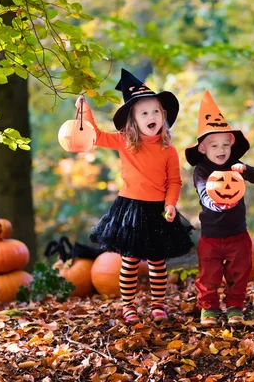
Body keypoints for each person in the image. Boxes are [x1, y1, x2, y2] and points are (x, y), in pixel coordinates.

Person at [80, 68, 194, 324]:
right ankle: (128, 306)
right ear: (133, 120)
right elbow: (95, 136)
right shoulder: (124, 141)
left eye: (156, 111)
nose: (151, 116)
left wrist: (171, 204)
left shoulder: (168, 149)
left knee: (157, 261)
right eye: (144, 113)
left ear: (163, 116)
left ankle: (158, 304)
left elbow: (174, 181)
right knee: (130, 261)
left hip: (158, 210)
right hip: (130, 208)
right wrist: (84, 108)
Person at [185, 90, 254, 326]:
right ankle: (208, 307)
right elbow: (203, 192)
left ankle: (235, 306)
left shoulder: (235, 165)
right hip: (211, 236)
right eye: (214, 145)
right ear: (202, 149)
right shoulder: (201, 170)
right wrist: (216, 204)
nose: (221, 150)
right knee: (208, 275)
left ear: (231, 145)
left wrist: (245, 170)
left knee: (239, 273)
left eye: (225, 145)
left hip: (238, 234)